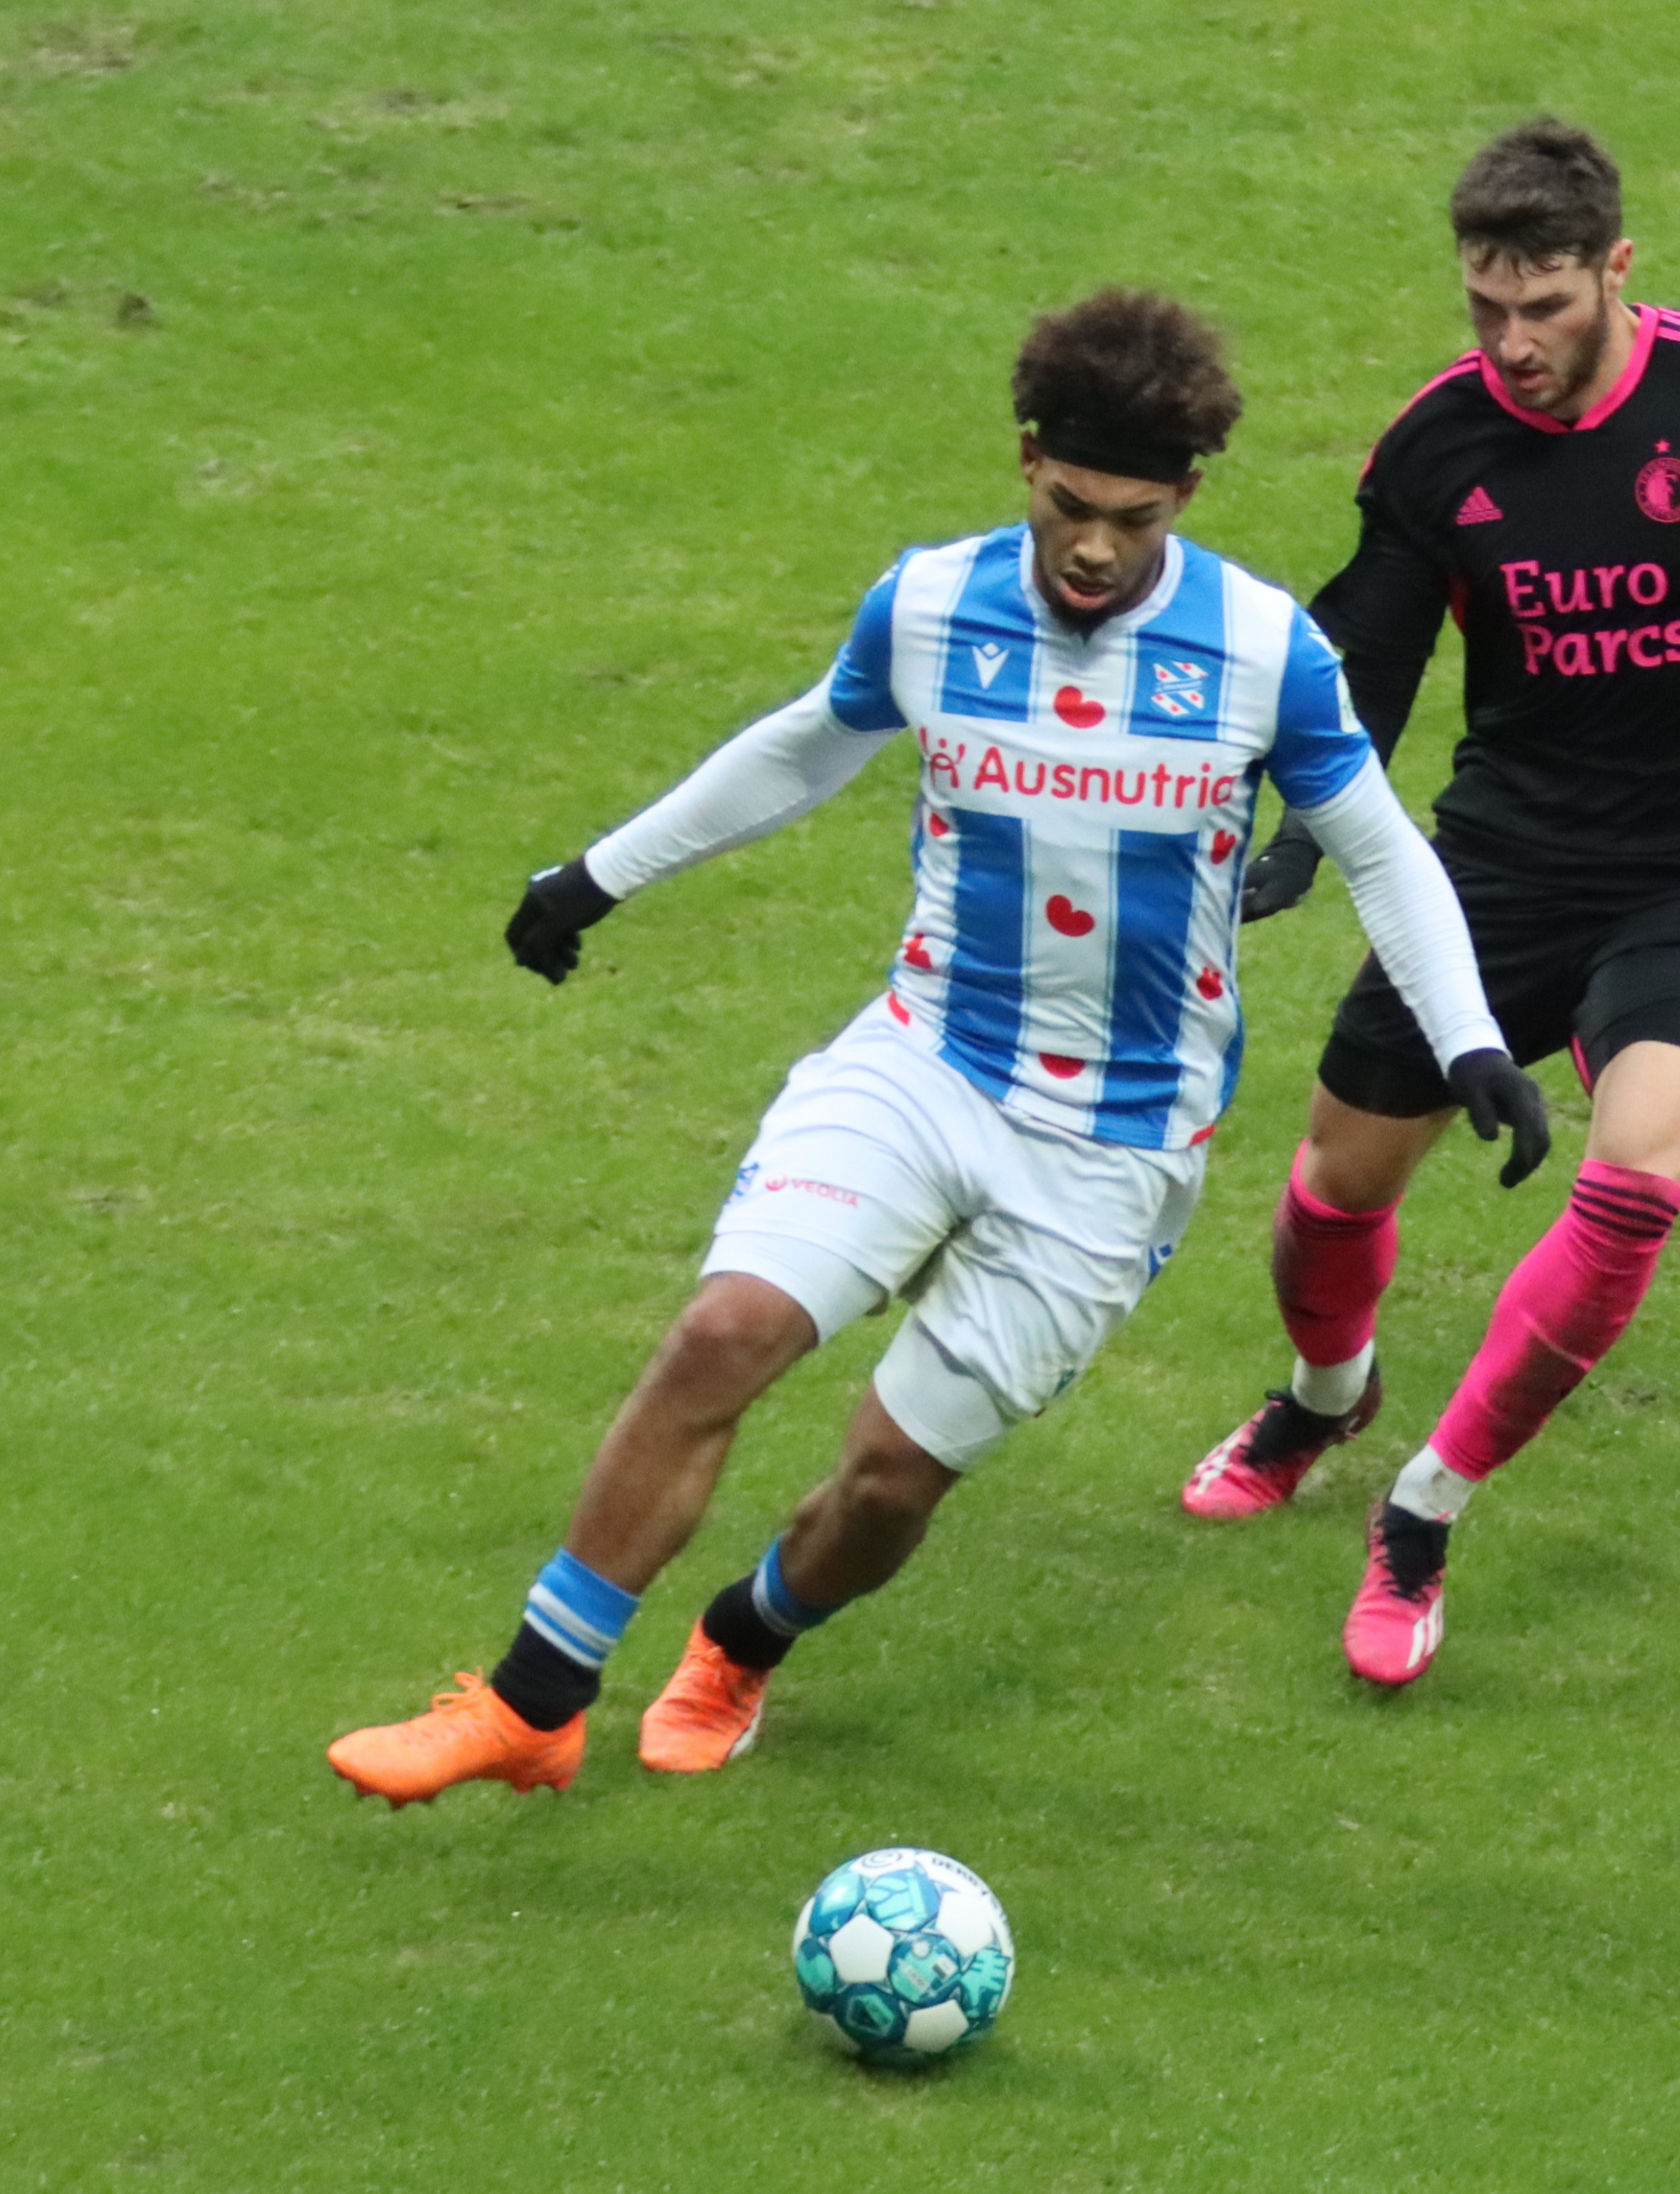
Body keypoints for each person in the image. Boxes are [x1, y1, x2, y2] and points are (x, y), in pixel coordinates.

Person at [327, 291, 1546, 1806]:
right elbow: (801, 746)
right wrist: (598, 873)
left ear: (1189, 497)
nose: (1094, 547)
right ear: (1026, 458)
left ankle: (747, 1633)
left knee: (892, 1480)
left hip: (1114, 1144)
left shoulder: (1259, 652)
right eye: (1067, 504)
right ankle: (533, 1696)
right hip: (926, 1059)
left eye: (1132, 517)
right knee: (721, 1332)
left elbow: (1380, 850)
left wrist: (1473, 1040)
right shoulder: (927, 604)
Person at [1177, 121, 1680, 1688]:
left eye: (1542, 307)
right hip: (1499, 864)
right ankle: (1325, 1393)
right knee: (1330, 1194)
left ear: (1617, 272)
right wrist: (1301, 826)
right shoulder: (1435, 447)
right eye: (1484, 308)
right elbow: (1382, 645)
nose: (1512, 345)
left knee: (1635, 1178)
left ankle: (1421, 1516)